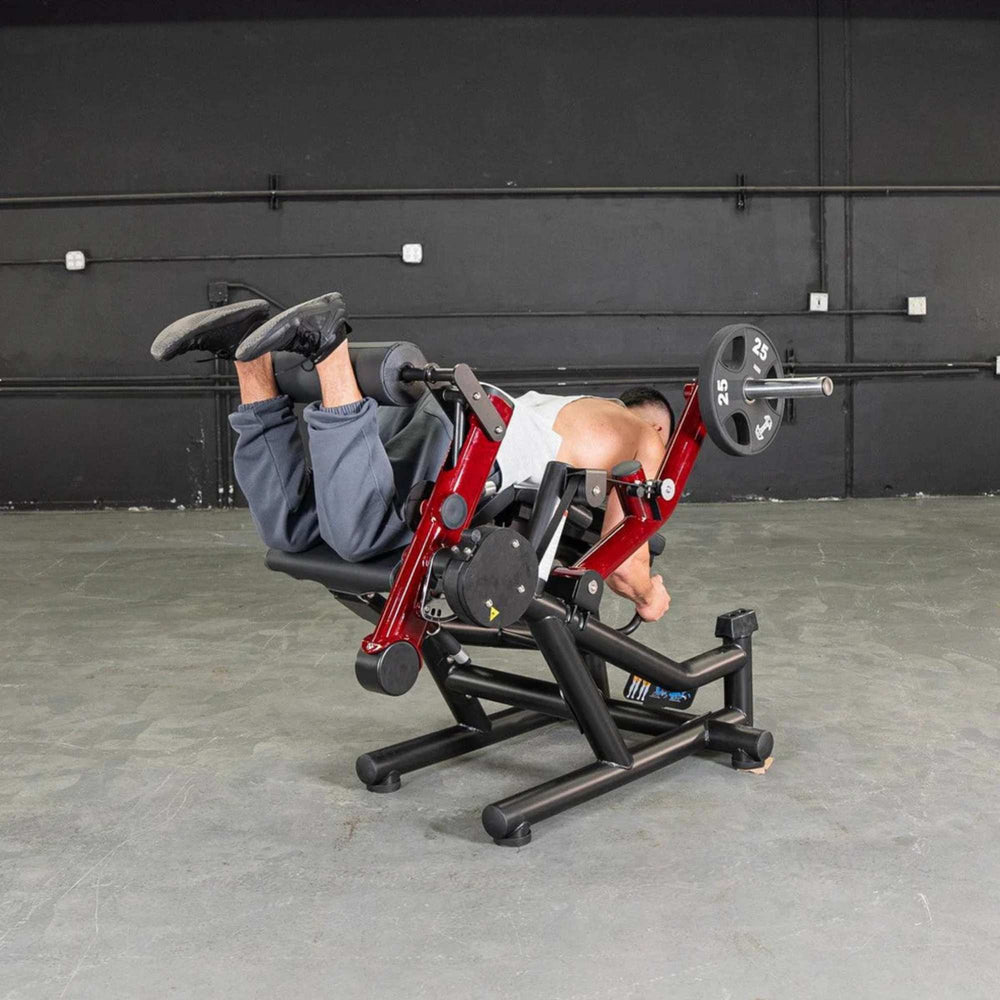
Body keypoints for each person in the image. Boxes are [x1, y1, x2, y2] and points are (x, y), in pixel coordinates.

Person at [151, 293, 673, 621]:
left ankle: (250, 354)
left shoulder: (580, 410)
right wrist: (651, 598)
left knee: (293, 530)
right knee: (358, 538)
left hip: (444, 416)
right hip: (475, 454)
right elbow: (623, 558)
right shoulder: (645, 437)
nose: (663, 456)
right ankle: (329, 346)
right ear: (655, 425)